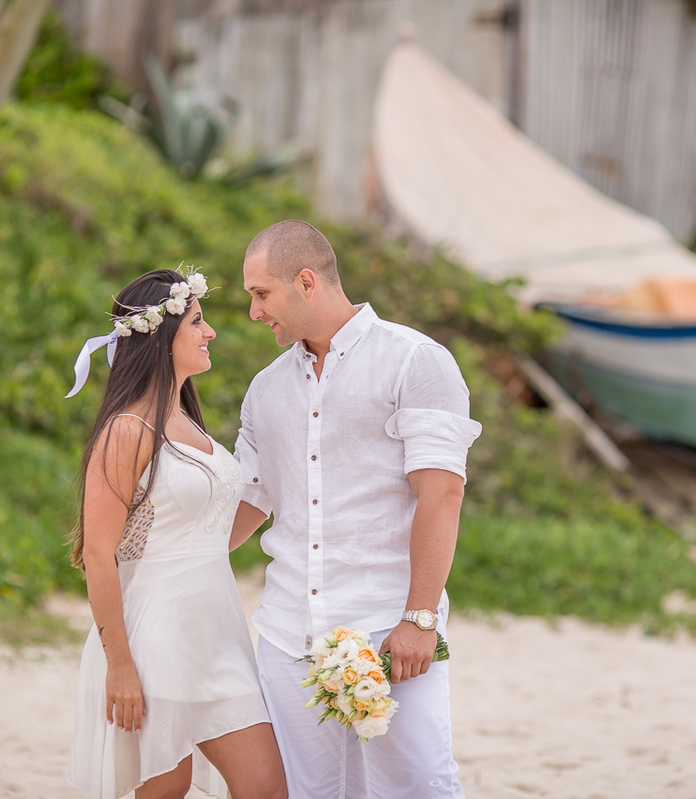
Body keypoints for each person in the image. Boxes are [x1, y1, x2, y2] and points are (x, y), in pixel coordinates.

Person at [230, 221, 482, 798]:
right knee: (307, 792)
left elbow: (441, 493)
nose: (253, 311)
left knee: (418, 785)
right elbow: (248, 500)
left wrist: (420, 617)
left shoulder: (416, 361)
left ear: (306, 281)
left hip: (390, 631)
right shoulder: (265, 390)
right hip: (288, 633)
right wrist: (166, 553)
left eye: (260, 293)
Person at [65, 268, 287, 799]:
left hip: (221, 636)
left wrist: (288, 483)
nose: (209, 332)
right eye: (197, 321)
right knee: (164, 788)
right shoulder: (126, 429)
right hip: (156, 637)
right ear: (162, 338)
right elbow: (98, 552)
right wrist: (119, 665)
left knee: (268, 787)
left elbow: (212, 532)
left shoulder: (189, 421)